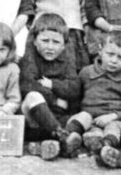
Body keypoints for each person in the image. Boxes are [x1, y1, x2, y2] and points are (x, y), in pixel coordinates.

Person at [64, 32, 121, 169]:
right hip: (91, 124)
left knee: (112, 127)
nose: (114, 60)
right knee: (84, 117)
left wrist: (114, 116)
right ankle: (71, 139)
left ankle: (106, 149)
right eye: (110, 54)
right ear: (100, 50)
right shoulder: (86, 73)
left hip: (116, 125)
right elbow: (75, 99)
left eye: (120, 57)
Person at [19, 14, 82, 160]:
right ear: (35, 41)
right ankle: (63, 138)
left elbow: (75, 88)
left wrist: (52, 84)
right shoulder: (29, 57)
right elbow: (28, 85)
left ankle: (53, 143)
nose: (50, 46)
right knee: (33, 96)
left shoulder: (67, 60)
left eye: (55, 42)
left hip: (60, 118)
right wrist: (55, 100)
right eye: (45, 40)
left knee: (85, 116)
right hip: (35, 120)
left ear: (64, 45)